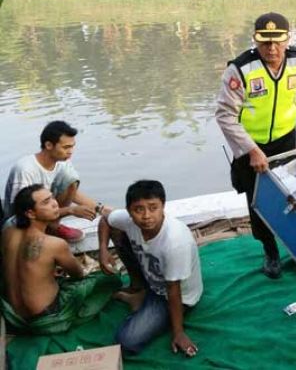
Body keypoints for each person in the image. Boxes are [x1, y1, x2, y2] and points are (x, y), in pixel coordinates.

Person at [215, 12, 296, 279]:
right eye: (265, 42)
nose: (272, 48)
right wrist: (251, 150)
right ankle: (270, 250)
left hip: (286, 140)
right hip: (250, 146)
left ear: (288, 39)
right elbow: (224, 115)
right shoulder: (240, 69)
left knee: (293, 195)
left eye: (278, 42)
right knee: (258, 202)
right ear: (255, 40)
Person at [98, 180, 202, 357]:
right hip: (151, 275)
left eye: (153, 208)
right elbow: (106, 219)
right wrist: (103, 250)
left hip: (174, 295)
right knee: (117, 230)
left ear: (163, 206)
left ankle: (140, 301)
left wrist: (178, 332)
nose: (146, 216)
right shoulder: (129, 220)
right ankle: (139, 290)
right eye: (138, 210)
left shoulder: (175, 242)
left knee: (127, 342)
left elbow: (173, 290)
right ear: (129, 211)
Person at [1, 184, 119, 334]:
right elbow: (78, 275)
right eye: (46, 202)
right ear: (30, 213)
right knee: (109, 279)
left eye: (52, 198)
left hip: (12, 315)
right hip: (44, 318)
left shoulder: (8, 231)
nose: (55, 203)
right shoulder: (54, 244)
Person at [3, 120, 110, 243]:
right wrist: (71, 210)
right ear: (49, 145)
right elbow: (23, 212)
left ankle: (52, 226)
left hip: (43, 209)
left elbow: (72, 191)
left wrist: (100, 209)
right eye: (66, 147)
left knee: (71, 178)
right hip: (22, 222)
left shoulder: (62, 163)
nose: (70, 151)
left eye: (72, 146)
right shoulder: (25, 169)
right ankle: (44, 229)